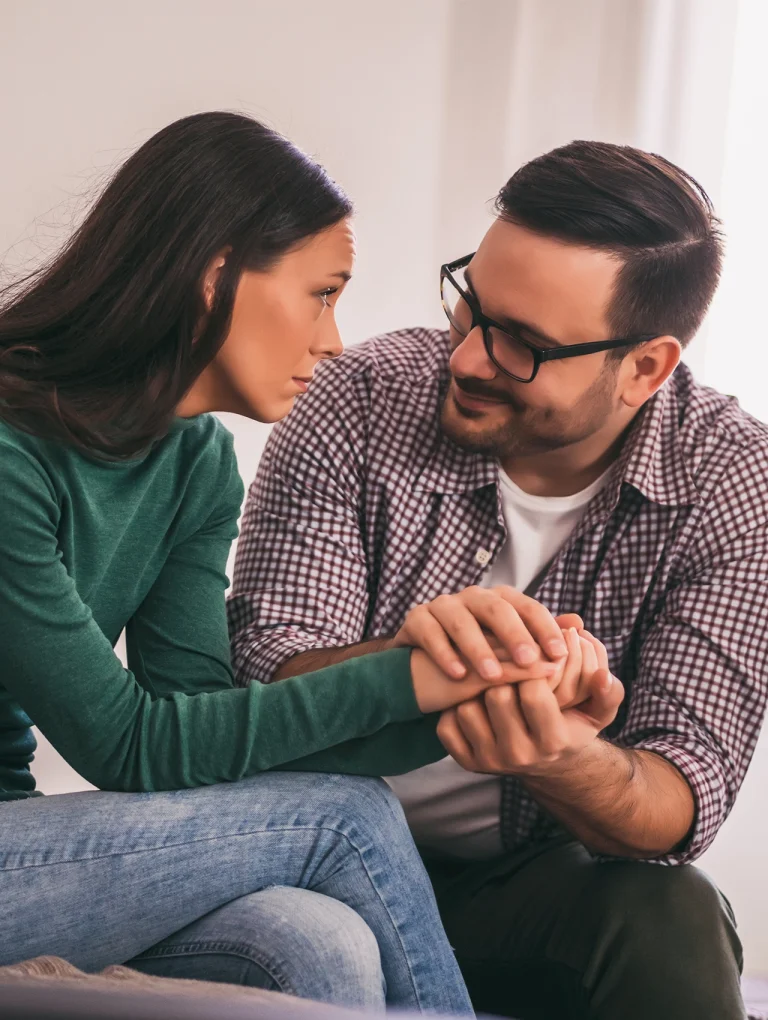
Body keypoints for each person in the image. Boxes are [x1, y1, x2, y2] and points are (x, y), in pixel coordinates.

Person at [0, 111, 583, 1015]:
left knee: (318, 939)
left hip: (20, 844)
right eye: (323, 293)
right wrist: (405, 676)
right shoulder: (9, 451)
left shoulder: (194, 465)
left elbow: (200, 726)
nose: (334, 340)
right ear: (215, 276)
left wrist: (471, 690)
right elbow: (130, 744)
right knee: (346, 818)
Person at [229, 140, 768, 1020]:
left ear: (644, 368)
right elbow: (262, 674)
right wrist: (422, 666)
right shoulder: (361, 394)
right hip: (303, 847)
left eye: (524, 344)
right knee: (300, 933)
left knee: (673, 915)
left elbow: (678, 796)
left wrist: (555, 751)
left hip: (520, 881)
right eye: (471, 304)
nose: (470, 358)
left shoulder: (735, 480)